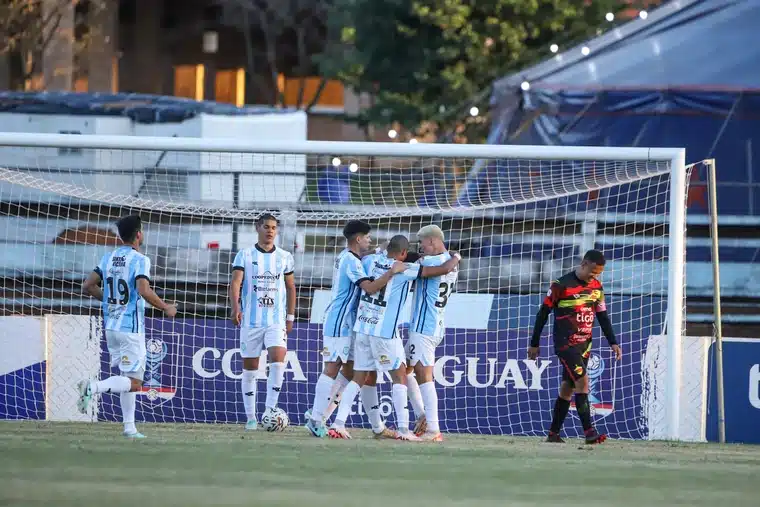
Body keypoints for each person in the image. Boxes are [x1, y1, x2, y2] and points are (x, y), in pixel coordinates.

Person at [328, 235, 460, 440]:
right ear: (404, 253)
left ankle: (338, 424)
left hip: (363, 328)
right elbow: (441, 270)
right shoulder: (404, 269)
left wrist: (381, 250)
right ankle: (404, 430)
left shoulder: (369, 261)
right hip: (385, 332)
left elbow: (370, 253)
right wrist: (456, 257)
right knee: (399, 377)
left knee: (359, 377)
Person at [77, 214, 177, 438]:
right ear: (139, 234)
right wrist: (166, 307)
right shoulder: (140, 259)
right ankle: (93, 388)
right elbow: (143, 290)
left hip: (111, 325)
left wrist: (110, 300)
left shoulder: (109, 258)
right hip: (130, 328)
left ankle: (129, 428)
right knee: (134, 382)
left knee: (127, 376)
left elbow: (88, 286)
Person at [305, 221, 406, 438]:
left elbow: (366, 254)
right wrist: (391, 272)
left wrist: (378, 249)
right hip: (339, 321)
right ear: (358, 239)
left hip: (351, 323)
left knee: (359, 374)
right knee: (332, 368)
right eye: (367, 237)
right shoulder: (351, 261)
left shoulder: (348, 256)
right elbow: (369, 288)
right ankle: (315, 417)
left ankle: (377, 427)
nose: (370, 240)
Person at [528, 249, 622, 444]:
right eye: (593, 272)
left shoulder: (597, 287)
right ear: (583, 264)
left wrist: (613, 341)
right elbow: (542, 314)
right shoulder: (561, 285)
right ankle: (589, 432)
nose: (594, 276)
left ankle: (553, 434)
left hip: (584, 346)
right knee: (583, 383)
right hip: (566, 345)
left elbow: (602, 316)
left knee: (567, 389)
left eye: (598, 274)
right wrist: (534, 343)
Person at [229, 213, 296, 430]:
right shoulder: (245, 255)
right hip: (251, 321)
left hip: (275, 321)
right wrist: (235, 307)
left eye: (274, 228)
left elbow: (291, 287)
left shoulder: (285, 256)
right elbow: (236, 283)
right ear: (257, 228)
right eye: (266, 227)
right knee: (250, 370)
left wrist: (290, 316)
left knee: (278, 361)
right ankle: (251, 417)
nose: (270, 231)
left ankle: (270, 410)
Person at [405, 225, 459, 442]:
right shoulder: (449, 261)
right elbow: (447, 264)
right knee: (404, 369)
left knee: (425, 378)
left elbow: (411, 264)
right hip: (435, 325)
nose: (421, 248)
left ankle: (433, 429)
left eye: (423, 244)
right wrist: (456, 257)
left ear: (434, 241)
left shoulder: (430, 263)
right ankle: (422, 416)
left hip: (423, 328)